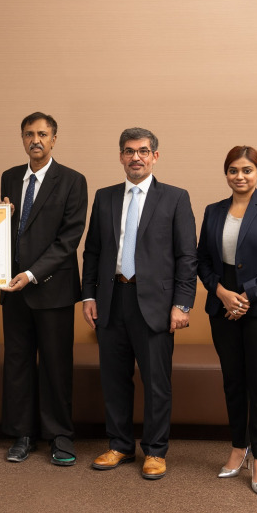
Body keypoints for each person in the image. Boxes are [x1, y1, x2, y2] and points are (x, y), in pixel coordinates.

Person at [81, 127, 196, 480]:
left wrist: (182, 304)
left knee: (156, 381)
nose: (136, 157)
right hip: (111, 299)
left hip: (156, 305)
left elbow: (186, 256)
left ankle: (156, 451)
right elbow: (93, 251)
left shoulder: (175, 198)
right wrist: (88, 294)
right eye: (129, 151)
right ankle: (119, 445)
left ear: (155, 156)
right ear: (120, 156)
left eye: (143, 151)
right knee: (114, 379)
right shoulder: (105, 197)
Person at [196, 145, 257, 495]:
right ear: (226, 174)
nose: (240, 176)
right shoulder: (213, 211)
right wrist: (222, 293)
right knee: (233, 382)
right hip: (223, 310)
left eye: (248, 170)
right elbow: (202, 262)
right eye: (234, 170)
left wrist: (246, 296)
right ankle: (239, 446)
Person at [0, 112, 87, 466]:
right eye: (28, 134)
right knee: (17, 363)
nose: (35, 140)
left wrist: (33, 273)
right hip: (13, 289)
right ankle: (22, 433)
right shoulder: (9, 177)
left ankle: (60, 435)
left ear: (54, 139)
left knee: (55, 364)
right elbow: (8, 235)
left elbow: (69, 239)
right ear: (22, 139)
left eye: (42, 134)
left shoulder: (72, 180)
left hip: (52, 289)